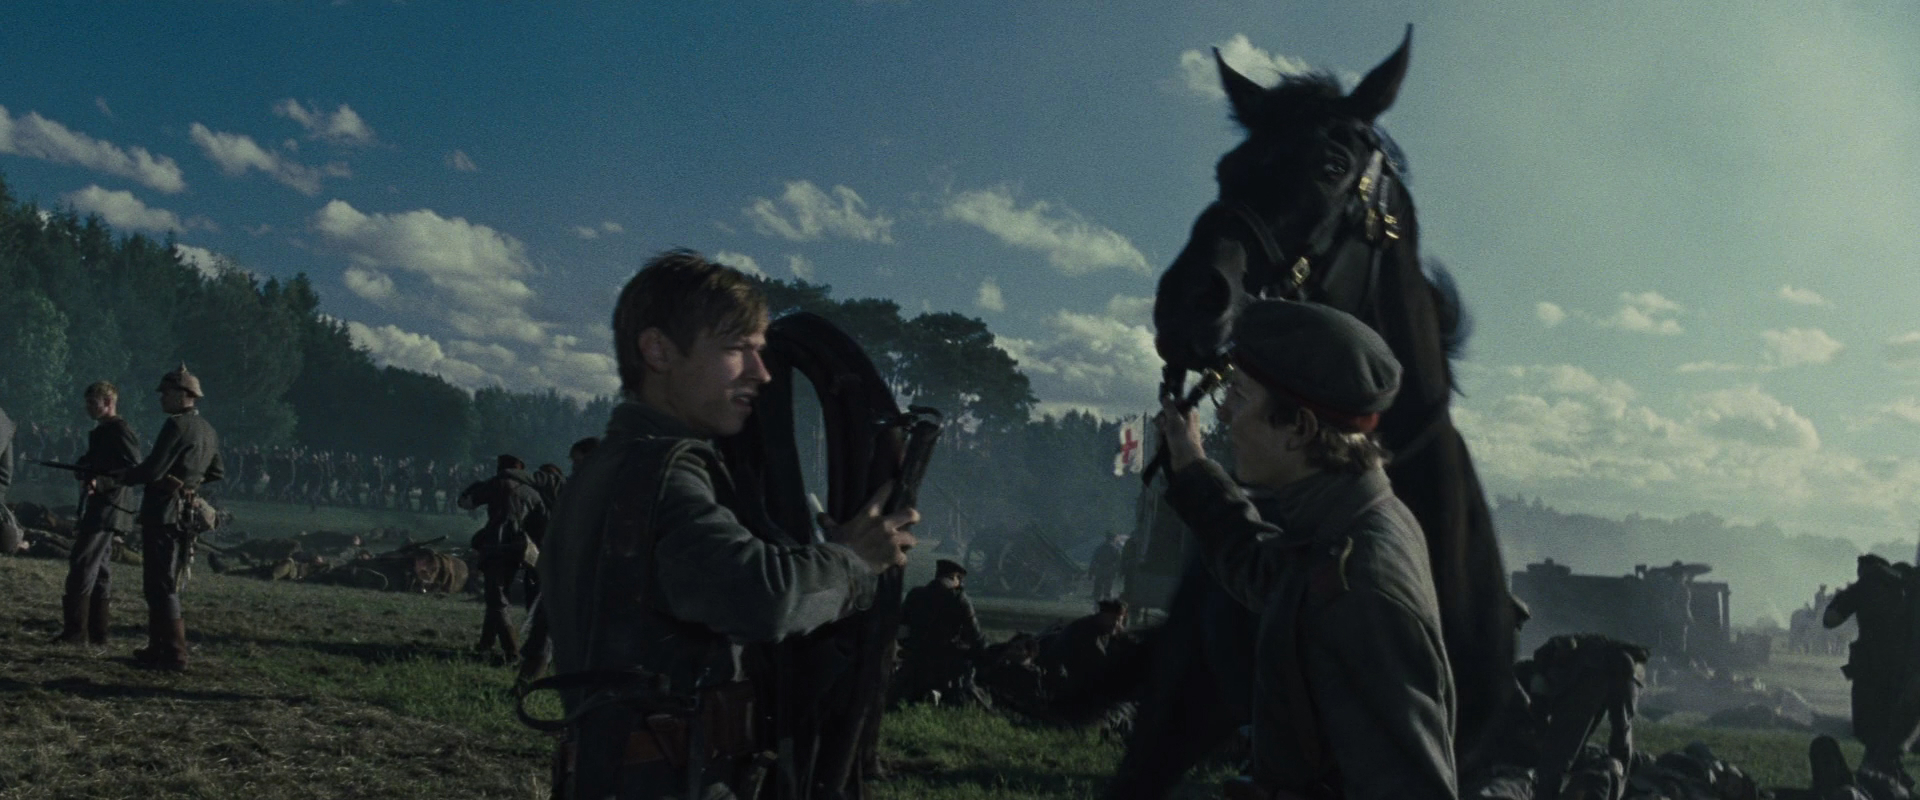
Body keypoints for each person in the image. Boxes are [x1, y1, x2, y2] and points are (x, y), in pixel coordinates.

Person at [538, 249, 919, 800]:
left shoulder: (610, 465)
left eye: (760, 351)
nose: (761, 373)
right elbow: (762, 597)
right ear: (658, 350)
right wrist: (854, 562)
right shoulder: (662, 474)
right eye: (737, 349)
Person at [1156, 299, 1456, 800]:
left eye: (1238, 395)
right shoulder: (1341, 526)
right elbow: (1268, 575)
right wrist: (1192, 465)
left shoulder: (1363, 582)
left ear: (1300, 429)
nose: (1223, 413)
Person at [115, 365, 224, 671]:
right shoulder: (208, 430)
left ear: (183, 394)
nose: (161, 397)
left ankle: (174, 653)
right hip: (185, 514)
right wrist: (188, 484)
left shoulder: (176, 426)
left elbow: (152, 470)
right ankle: (157, 647)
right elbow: (216, 472)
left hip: (164, 512)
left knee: (160, 583)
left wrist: (125, 476)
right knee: (164, 580)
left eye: (166, 392)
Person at [50, 382, 142, 645]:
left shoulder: (119, 430)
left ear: (109, 402)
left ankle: (76, 633)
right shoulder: (104, 430)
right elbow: (97, 460)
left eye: (93, 403)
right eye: (87, 403)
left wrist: (99, 482)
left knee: (82, 563)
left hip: (108, 507)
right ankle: (98, 633)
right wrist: (83, 467)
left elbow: (133, 469)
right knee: (100, 569)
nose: (88, 408)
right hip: (104, 506)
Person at [1825, 554, 1920, 784]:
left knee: (1872, 732)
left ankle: (1878, 774)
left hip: (1871, 672)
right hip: (1906, 676)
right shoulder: (1910, 583)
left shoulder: (1866, 585)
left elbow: (1831, 619)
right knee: (1893, 732)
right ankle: (1887, 772)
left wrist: (1852, 594)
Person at [1522, 633, 1649, 800]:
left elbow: (1546, 718)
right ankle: (1617, 789)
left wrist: (1544, 737)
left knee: (1556, 756)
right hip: (1629, 670)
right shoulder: (1554, 659)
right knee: (1621, 739)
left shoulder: (1540, 670)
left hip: (1594, 670)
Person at [458, 453, 544, 664]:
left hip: (495, 548)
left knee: (497, 600)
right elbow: (541, 519)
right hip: (518, 550)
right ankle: (485, 644)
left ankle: (512, 652)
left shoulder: (497, 484)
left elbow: (466, 503)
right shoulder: (531, 491)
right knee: (497, 595)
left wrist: (473, 488)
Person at [894, 558, 989, 705]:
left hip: (917, 655)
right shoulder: (959, 598)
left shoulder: (915, 594)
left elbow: (902, 628)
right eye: (959, 579)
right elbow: (975, 635)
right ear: (954, 577)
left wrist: (908, 646)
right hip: (947, 657)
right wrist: (985, 654)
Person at [1089, 533, 1123, 601]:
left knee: (1098, 587)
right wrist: (1118, 571)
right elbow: (1119, 561)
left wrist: (1091, 572)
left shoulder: (1099, 548)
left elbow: (1093, 561)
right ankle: (1106, 601)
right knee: (1107, 588)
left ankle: (1097, 602)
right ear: (1113, 539)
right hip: (1109, 569)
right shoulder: (1114, 549)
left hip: (1100, 569)